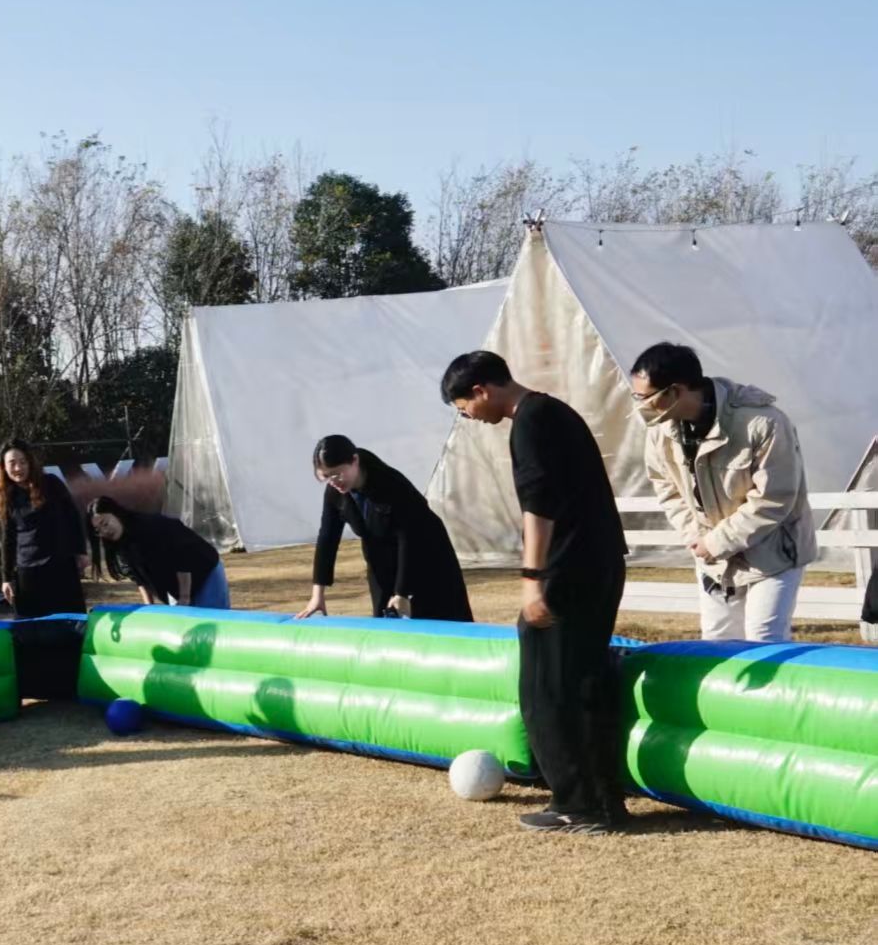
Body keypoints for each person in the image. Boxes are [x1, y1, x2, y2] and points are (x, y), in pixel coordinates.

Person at [443, 351, 628, 834]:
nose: (467, 416)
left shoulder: (531, 422)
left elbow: (538, 507)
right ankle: (602, 801)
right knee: (581, 682)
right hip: (598, 563)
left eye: (464, 406)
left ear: (481, 390)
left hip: (570, 571)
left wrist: (533, 579)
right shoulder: (555, 412)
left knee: (546, 690)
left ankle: (579, 804)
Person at [630, 342, 817, 643]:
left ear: (676, 391)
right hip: (713, 559)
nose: (641, 406)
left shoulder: (763, 423)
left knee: (763, 638)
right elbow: (667, 489)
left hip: (772, 554)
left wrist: (717, 542)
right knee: (717, 641)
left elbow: (774, 498)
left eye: (646, 397)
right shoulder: (660, 431)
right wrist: (697, 537)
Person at [296, 435, 473, 622]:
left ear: (355, 461)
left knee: (438, 614)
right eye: (325, 476)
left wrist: (402, 593)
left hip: (425, 553)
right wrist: (317, 594)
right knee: (384, 616)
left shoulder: (391, 484)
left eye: (337, 473)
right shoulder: (336, 491)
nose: (333, 481)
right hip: (380, 557)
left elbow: (409, 537)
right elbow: (327, 537)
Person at [0, 440, 88, 618]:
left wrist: (81, 551)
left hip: (60, 563)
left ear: (30, 462)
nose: (18, 468)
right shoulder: (7, 495)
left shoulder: (51, 483)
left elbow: (73, 517)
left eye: (23, 462)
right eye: (12, 463)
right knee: (31, 624)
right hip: (28, 570)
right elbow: (8, 538)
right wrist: (6, 578)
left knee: (71, 620)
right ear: (4, 467)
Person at [88, 496, 228, 608]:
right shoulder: (120, 546)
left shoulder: (149, 527)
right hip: (175, 585)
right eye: (98, 530)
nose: (105, 531)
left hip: (203, 571)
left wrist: (184, 598)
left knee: (212, 623)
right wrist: (149, 607)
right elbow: (139, 578)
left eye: (105, 523)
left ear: (117, 514)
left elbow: (182, 558)